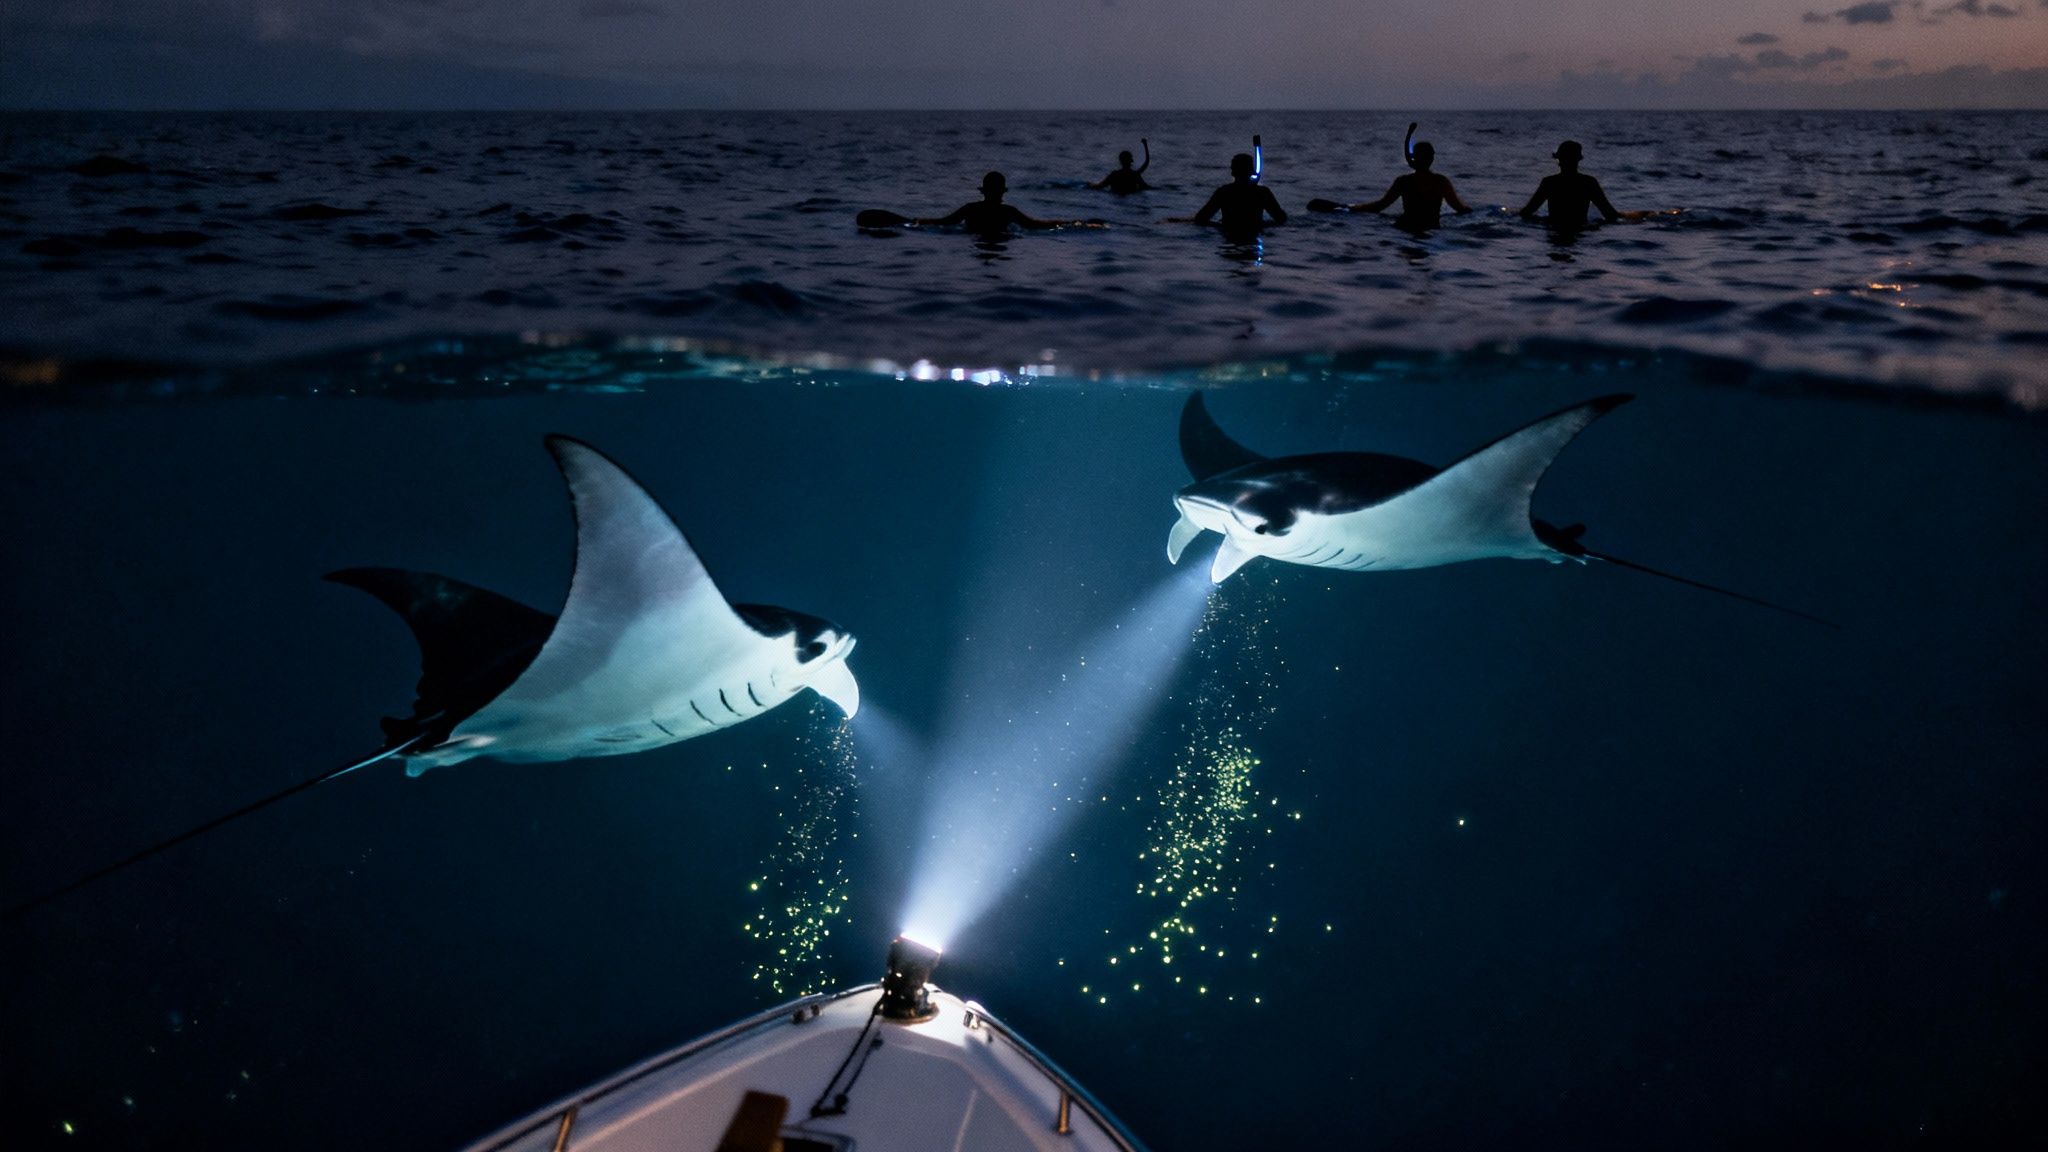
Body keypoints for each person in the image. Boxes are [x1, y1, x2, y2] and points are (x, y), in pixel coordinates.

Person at [1348, 139, 1470, 230]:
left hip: (1404, 228)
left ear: (1414, 158)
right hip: (1431, 229)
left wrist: (1354, 208)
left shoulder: (1403, 181)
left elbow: (1379, 206)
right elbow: (1460, 209)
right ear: (1431, 159)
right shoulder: (1441, 182)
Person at [919, 171, 1063, 233]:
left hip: (975, 238)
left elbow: (943, 222)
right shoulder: (1008, 211)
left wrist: (913, 221)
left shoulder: (970, 209)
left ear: (983, 191)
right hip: (1001, 239)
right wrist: (1072, 223)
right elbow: (1035, 225)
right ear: (1003, 191)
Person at [1520, 140, 1619, 228]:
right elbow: (1610, 214)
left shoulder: (1549, 182)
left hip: (1554, 231)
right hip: (1580, 231)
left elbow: (1527, 212)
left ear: (1559, 160)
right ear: (1578, 159)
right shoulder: (1589, 182)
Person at [1184, 153, 1287, 234]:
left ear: (1232, 172)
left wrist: (1220, 226)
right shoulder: (1262, 193)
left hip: (1228, 235)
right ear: (1252, 171)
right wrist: (1261, 225)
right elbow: (1281, 219)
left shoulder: (1224, 192)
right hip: (1254, 235)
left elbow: (1200, 219)